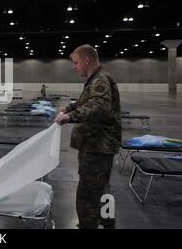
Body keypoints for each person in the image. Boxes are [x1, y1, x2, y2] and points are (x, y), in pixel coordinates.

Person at [54, 44, 121, 229]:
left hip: (98, 146)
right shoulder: (97, 79)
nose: (74, 66)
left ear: (87, 60)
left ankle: (89, 225)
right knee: (103, 190)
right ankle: (108, 224)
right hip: (99, 145)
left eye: (76, 62)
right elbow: (88, 100)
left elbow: (98, 105)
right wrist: (69, 107)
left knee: (87, 194)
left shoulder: (100, 79)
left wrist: (70, 116)